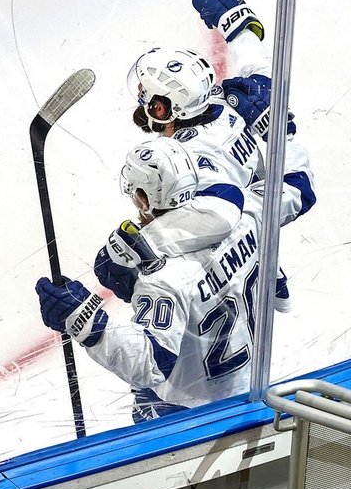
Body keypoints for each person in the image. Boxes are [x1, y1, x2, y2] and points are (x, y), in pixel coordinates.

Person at [36, 134, 315, 422]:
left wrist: (87, 324)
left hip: (188, 412)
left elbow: (150, 363)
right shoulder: (251, 214)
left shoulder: (162, 278)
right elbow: (297, 188)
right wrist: (284, 134)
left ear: (143, 198)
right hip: (250, 388)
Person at [121, 0, 298, 307]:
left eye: (146, 94)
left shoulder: (185, 161)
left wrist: (139, 248)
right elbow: (260, 74)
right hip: (257, 240)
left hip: (228, 269)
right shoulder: (224, 103)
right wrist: (238, 27)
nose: (142, 98)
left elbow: (215, 220)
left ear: (162, 107)